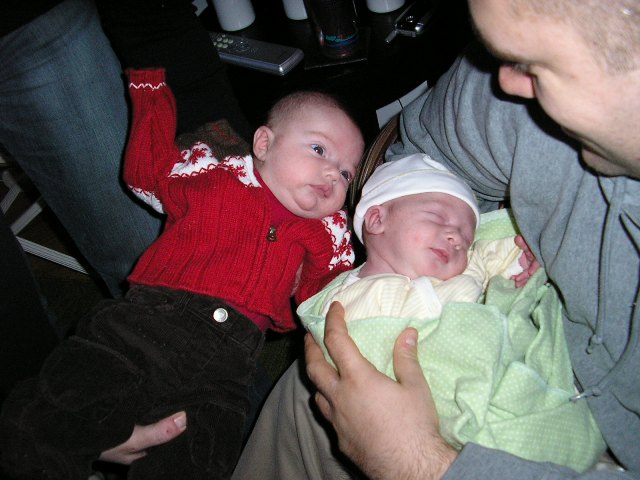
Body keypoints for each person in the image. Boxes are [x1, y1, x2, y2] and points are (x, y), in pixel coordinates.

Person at [230, 0, 640, 477]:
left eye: (537, 64)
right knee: (300, 396)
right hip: (397, 355)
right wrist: (474, 245)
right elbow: (428, 158)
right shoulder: (514, 93)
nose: (505, 82)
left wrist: (419, 461)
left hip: (547, 432)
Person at [0, 68, 364, 480]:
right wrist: (150, 89)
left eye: (346, 173)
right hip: (144, 325)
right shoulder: (212, 173)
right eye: (319, 149)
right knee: (53, 416)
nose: (333, 173)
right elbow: (147, 172)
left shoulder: (327, 234)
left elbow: (323, 299)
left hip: (228, 370)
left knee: (198, 462)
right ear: (264, 144)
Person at [297, 154, 605, 472]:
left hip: (499, 386)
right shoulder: (344, 301)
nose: (456, 238)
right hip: (442, 407)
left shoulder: (465, 272)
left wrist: (525, 254)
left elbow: (496, 254)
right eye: (436, 217)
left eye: (466, 239)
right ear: (377, 220)